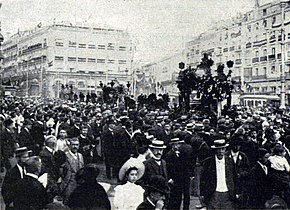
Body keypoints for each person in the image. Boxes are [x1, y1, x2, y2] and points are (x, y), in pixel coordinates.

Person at [200, 139, 236, 209]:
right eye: (218, 149)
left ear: (225, 149)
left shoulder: (230, 161)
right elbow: (203, 179)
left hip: (227, 192)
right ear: (215, 150)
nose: (220, 152)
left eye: (222, 149)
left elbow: (235, 177)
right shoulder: (208, 162)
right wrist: (202, 193)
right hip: (214, 192)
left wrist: (237, 191)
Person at [164, 138, 192, 210]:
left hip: (182, 178)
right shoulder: (169, 155)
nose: (178, 146)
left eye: (178, 144)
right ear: (172, 145)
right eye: (176, 144)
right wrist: (170, 178)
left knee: (183, 196)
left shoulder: (179, 153)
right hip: (175, 179)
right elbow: (168, 168)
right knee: (176, 197)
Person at [60, 137, 84, 204]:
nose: (75, 147)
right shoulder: (65, 156)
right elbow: (61, 171)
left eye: (77, 145)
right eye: (73, 145)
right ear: (70, 145)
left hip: (79, 184)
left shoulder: (80, 156)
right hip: (69, 184)